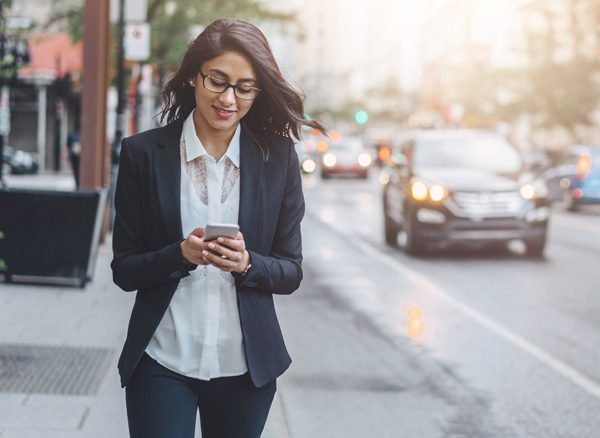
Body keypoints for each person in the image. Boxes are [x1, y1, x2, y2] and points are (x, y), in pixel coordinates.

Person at [111, 19, 326, 438]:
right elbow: (124, 269)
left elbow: (291, 270)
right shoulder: (143, 155)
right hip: (162, 360)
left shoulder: (277, 158)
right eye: (218, 81)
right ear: (195, 75)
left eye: (245, 87)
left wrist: (248, 264)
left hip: (244, 368)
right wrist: (180, 255)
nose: (229, 99)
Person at [66, 123, 81, 188]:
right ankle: (77, 184)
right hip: (76, 156)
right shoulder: (75, 135)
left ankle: (77, 184)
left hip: (75, 156)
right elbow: (68, 144)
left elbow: (68, 144)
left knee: (76, 171)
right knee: (76, 170)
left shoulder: (74, 134)